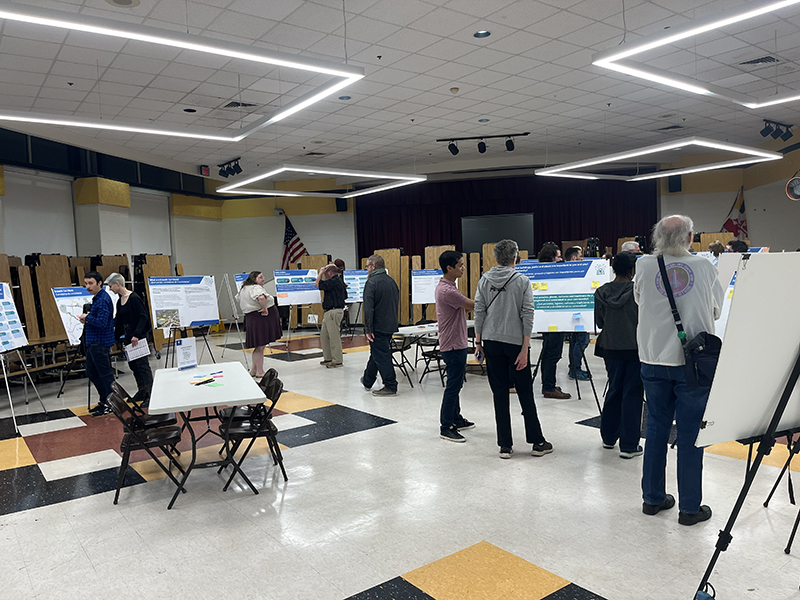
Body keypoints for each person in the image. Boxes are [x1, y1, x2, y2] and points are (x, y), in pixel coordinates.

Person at [635, 215, 724, 526]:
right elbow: (716, 309)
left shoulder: (644, 265)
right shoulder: (704, 267)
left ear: (657, 237)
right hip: (692, 364)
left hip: (652, 358)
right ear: (689, 237)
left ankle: (652, 498)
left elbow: (639, 299)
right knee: (690, 436)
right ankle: (689, 508)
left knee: (656, 429)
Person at [475, 239, 552, 459]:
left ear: (496, 257)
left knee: (499, 393)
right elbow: (527, 314)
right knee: (525, 392)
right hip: (515, 343)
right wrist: (525, 348)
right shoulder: (522, 281)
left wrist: (478, 342)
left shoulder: (484, 280)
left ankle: (505, 445)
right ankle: (537, 442)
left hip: (490, 341)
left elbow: (479, 310)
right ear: (516, 257)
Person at [594, 251, 643, 458]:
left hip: (610, 347)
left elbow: (599, 323)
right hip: (634, 347)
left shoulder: (601, 291)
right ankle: (629, 445)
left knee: (614, 389)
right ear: (633, 270)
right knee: (632, 393)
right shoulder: (638, 291)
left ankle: (608, 437)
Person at [435, 250, 475, 443]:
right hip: (452, 345)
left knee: (457, 383)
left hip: (455, 342)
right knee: (453, 385)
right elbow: (472, 305)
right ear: (449, 268)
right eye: (460, 265)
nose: (463, 268)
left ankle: (456, 418)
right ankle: (446, 426)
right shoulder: (447, 291)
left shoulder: (450, 286)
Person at [105, 272, 153, 407]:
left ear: (117, 284)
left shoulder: (134, 298)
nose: (110, 289)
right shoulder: (120, 301)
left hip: (138, 338)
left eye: (110, 286)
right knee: (134, 365)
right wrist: (112, 334)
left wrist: (137, 334)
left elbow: (143, 317)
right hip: (128, 339)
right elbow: (119, 320)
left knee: (143, 366)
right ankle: (142, 391)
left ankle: (150, 393)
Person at [361, 254, 399, 397]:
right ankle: (367, 380)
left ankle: (390, 385)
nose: (367, 269)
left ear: (373, 266)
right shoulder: (391, 281)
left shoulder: (371, 283)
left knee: (382, 355)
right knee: (377, 353)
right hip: (390, 324)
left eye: (367, 267)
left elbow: (369, 308)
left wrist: (368, 329)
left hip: (378, 326)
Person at [78, 271, 116, 417]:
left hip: (100, 342)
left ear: (100, 283)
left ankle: (111, 403)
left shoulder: (102, 300)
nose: (88, 286)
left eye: (91, 283)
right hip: (93, 342)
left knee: (105, 374)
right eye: (86, 283)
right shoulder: (97, 298)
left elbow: (101, 322)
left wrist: (87, 317)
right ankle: (104, 400)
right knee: (92, 373)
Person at [537, 244, 570, 399]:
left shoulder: (542, 271)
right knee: (552, 353)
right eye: (558, 257)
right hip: (553, 318)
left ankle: (549, 384)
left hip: (550, 318)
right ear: (551, 258)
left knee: (550, 352)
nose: (560, 259)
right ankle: (548, 387)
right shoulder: (550, 274)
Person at [237, 271, 281, 378]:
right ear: (254, 279)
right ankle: (260, 371)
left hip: (252, 317)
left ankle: (254, 369)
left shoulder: (244, 288)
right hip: (260, 318)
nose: (263, 279)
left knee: (258, 345)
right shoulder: (255, 288)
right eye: (260, 277)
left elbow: (238, 299)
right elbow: (261, 298)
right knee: (260, 346)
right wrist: (265, 309)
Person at [564, 246, 590, 381]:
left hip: (577, 312)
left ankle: (574, 367)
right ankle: (575, 369)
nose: (582, 258)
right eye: (580, 256)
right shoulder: (574, 272)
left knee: (577, 340)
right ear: (574, 258)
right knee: (582, 340)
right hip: (577, 313)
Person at [315, 263, 347, 368]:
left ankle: (337, 360)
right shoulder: (340, 282)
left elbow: (317, 284)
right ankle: (328, 357)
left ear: (329, 273)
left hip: (333, 311)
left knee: (334, 337)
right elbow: (345, 295)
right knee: (324, 335)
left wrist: (320, 272)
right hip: (330, 312)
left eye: (325, 273)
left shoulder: (333, 281)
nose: (324, 275)